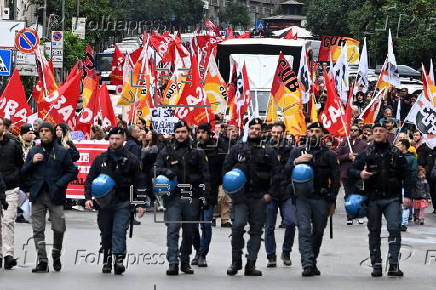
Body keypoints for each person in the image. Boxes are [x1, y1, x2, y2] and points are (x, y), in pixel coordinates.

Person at [349, 122, 409, 277]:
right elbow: (352, 169)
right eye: (375, 131)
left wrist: (408, 195)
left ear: (387, 133)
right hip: (373, 198)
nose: (377, 133)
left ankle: (394, 265)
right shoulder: (366, 152)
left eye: (381, 131)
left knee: (394, 228)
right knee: (374, 231)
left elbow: (407, 175)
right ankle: (376, 264)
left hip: (393, 198)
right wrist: (360, 174)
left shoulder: (396, 153)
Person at [223, 118, 280, 277]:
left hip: (259, 197)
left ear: (261, 131)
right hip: (241, 197)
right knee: (237, 226)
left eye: (257, 129)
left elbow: (277, 174)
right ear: (247, 130)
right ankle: (236, 261)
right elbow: (226, 170)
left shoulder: (269, 151)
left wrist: (270, 194)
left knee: (256, 231)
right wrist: (230, 190)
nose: (254, 131)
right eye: (252, 128)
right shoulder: (237, 149)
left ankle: (251, 264)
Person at [84, 127, 145, 275]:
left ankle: (118, 259)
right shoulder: (101, 159)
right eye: (112, 138)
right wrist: (88, 198)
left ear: (123, 139)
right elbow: (90, 179)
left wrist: (141, 203)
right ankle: (107, 259)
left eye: (117, 138)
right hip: (104, 203)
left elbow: (139, 182)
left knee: (119, 230)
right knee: (106, 232)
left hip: (123, 201)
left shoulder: (132, 159)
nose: (114, 141)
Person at [154, 120, 211, 276]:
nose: (180, 135)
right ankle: (173, 262)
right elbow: (156, 167)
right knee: (173, 229)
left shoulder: (197, 152)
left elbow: (206, 176)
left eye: (183, 132)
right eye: (178, 132)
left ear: (188, 133)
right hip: (173, 196)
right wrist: (167, 172)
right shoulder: (167, 150)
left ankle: (185, 261)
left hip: (191, 195)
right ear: (174, 133)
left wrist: (205, 196)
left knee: (189, 231)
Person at [22, 122, 78, 273]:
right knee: (37, 229)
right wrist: (32, 164)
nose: (44, 134)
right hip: (38, 195)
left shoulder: (61, 151)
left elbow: (72, 171)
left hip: (55, 194)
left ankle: (56, 254)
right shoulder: (34, 151)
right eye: (41, 131)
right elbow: (24, 172)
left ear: (53, 133)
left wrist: (59, 184)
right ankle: (42, 261)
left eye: (47, 131)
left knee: (59, 227)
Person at [286, 122, 340, 277]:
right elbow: (285, 172)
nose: (314, 134)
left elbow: (335, 180)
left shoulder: (329, 155)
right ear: (307, 133)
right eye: (311, 131)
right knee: (304, 230)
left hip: (321, 198)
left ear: (322, 134)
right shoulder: (297, 151)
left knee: (318, 232)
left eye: (317, 131)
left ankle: (312, 260)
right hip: (302, 198)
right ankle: (307, 264)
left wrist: (332, 200)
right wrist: (297, 161)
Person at [192, 122, 226, 267]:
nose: (200, 135)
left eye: (203, 132)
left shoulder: (217, 150)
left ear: (209, 133)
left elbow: (223, 170)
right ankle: (197, 249)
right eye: (198, 132)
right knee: (192, 225)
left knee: (205, 224)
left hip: (209, 191)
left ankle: (202, 253)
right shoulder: (191, 148)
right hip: (192, 191)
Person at [265, 122, 296, 268]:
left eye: (278, 132)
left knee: (290, 222)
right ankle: (271, 255)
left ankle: (286, 252)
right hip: (270, 193)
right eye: (273, 132)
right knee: (269, 226)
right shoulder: (264, 149)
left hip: (286, 193)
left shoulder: (292, 150)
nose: (275, 134)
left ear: (284, 133)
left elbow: (289, 170)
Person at [0, 117, 24, 270]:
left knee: (7, 221)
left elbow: (20, 165)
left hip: (10, 188)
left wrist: (22, 184)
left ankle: (8, 255)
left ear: (5, 127)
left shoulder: (13, 144)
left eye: (0, 124)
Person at [336, 125, 368, 225]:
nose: (353, 131)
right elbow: (337, 156)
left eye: (355, 130)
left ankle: (359, 215)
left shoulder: (363, 144)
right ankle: (350, 216)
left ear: (359, 132)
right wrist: (347, 156)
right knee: (348, 195)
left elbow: (367, 157)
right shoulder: (344, 142)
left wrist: (358, 158)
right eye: (352, 130)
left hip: (358, 173)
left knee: (358, 194)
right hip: (346, 173)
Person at [396, 139, 417, 232]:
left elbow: (413, 173)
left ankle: (403, 223)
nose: (397, 146)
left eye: (399, 144)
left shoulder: (411, 158)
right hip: (396, 184)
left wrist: (410, 184)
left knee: (405, 204)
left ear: (404, 146)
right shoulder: (396, 156)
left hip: (406, 184)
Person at [413, 131, 435, 213]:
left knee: (424, 192)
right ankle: (414, 212)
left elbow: (429, 162)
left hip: (423, 173)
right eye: (414, 135)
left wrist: (424, 171)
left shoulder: (426, 148)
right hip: (413, 172)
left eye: (417, 135)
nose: (415, 136)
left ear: (421, 137)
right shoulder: (412, 146)